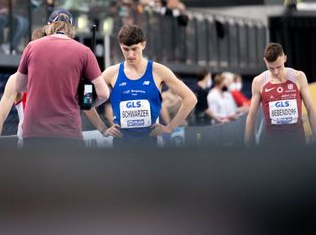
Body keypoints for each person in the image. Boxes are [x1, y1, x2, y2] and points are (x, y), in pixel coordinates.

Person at [14, 9, 110, 148]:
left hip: (33, 133)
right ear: (73, 28)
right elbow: (103, 94)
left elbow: (20, 86)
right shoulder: (84, 52)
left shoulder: (31, 46)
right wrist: (86, 103)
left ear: (48, 25)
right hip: (68, 133)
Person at [100, 24, 197, 146]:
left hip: (151, 144)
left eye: (135, 49)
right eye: (126, 49)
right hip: (121, 146)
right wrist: (103, 129)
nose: (130, 55)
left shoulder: (159, 71)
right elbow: (86, 101)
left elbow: (191, 98)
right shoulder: (111, 73)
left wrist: (171, 127)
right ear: (120, 46)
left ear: (143, 45)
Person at [245, 43, 316, 147]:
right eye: (271, 68)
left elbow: (311, 110)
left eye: (279, 67)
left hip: (297, 143)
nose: (275, 71)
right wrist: (248, 146)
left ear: (285, 58)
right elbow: (251, 116)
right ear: (265, 61)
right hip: (273, 145)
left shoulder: (298, 77)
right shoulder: (259, 81)